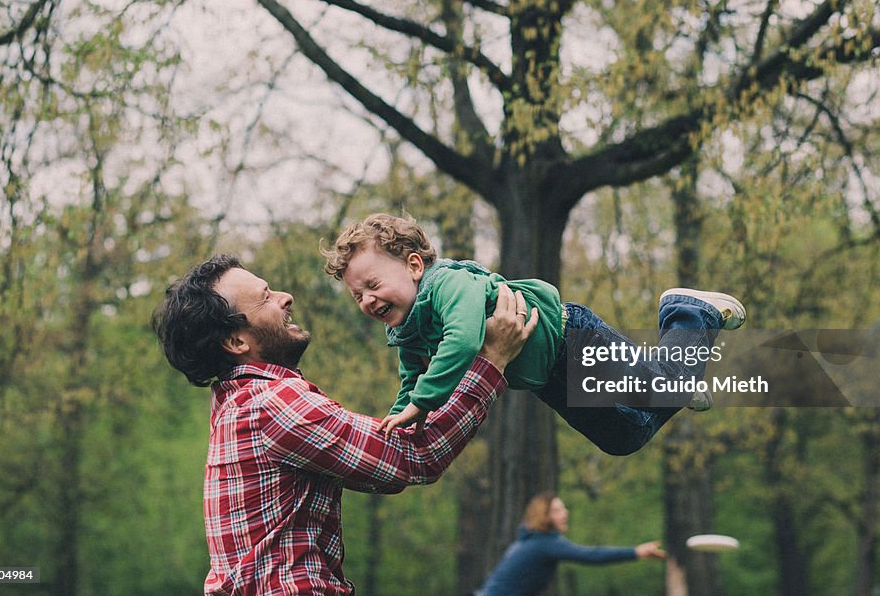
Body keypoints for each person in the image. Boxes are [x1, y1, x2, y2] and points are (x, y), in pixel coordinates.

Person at [150, 254, 538, 596]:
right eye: (266, 297)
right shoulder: (273, 407)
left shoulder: (238, 406)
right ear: (236, 341)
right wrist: (490, 362)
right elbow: (412, 458)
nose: (285, 297)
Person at [321, 213, 746, 455]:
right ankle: (673, 379)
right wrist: (397, 421)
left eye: (373, 286)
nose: (367, 302)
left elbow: (465, 339)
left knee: (665, 388)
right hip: (548, 380)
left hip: (573, 338)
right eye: (358, 296)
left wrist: (422, 403)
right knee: (624, 437)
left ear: (415, 265)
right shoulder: (407, 332)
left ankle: (687, 313)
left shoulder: (448, 284)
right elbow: (411, 382)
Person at [477, 492, 666, 595]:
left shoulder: (529, 541)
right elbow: (590, 555)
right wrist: (635, 552)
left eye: (564, 508)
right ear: (545, 516)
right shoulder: (543, 543)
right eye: (558, 510)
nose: (565, 513)